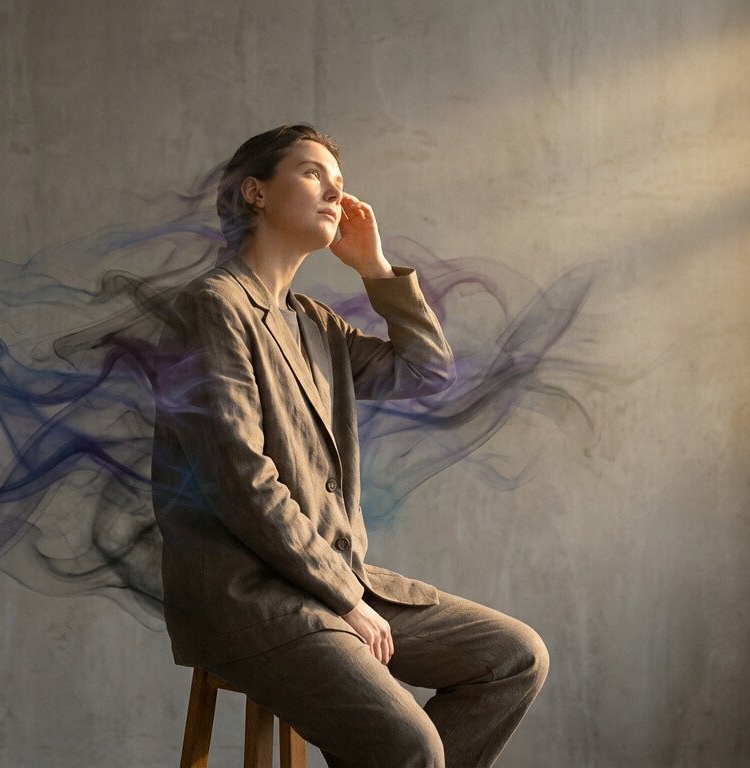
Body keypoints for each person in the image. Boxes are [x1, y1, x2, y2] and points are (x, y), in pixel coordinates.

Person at [152, 124, 549, 768]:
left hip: (333, 580)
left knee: (512, 658)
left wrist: (375, 270)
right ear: (254, 192)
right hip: (251, 595)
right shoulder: (212, 307)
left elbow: (426, 373)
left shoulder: (313, 324)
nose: (335, 193)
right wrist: (345, 597)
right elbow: (240, 479)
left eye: (340, 183)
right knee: (408, 747)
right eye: (313, 174)